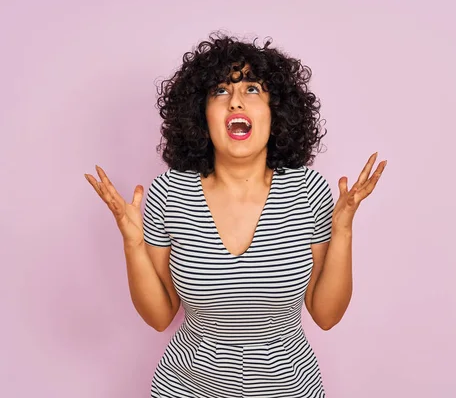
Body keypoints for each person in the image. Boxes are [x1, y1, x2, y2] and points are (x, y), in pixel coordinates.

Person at [84, 32, 386, 398]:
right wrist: (132, 243)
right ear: (201, 113)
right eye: (221, 91)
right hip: (186, 388)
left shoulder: (308, 191)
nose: (236, 102)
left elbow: (326, 315)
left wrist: (342, 232)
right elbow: (161, 316)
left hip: (290, 389)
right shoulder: (169, 192)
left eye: (253, 89)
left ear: (276, 111)